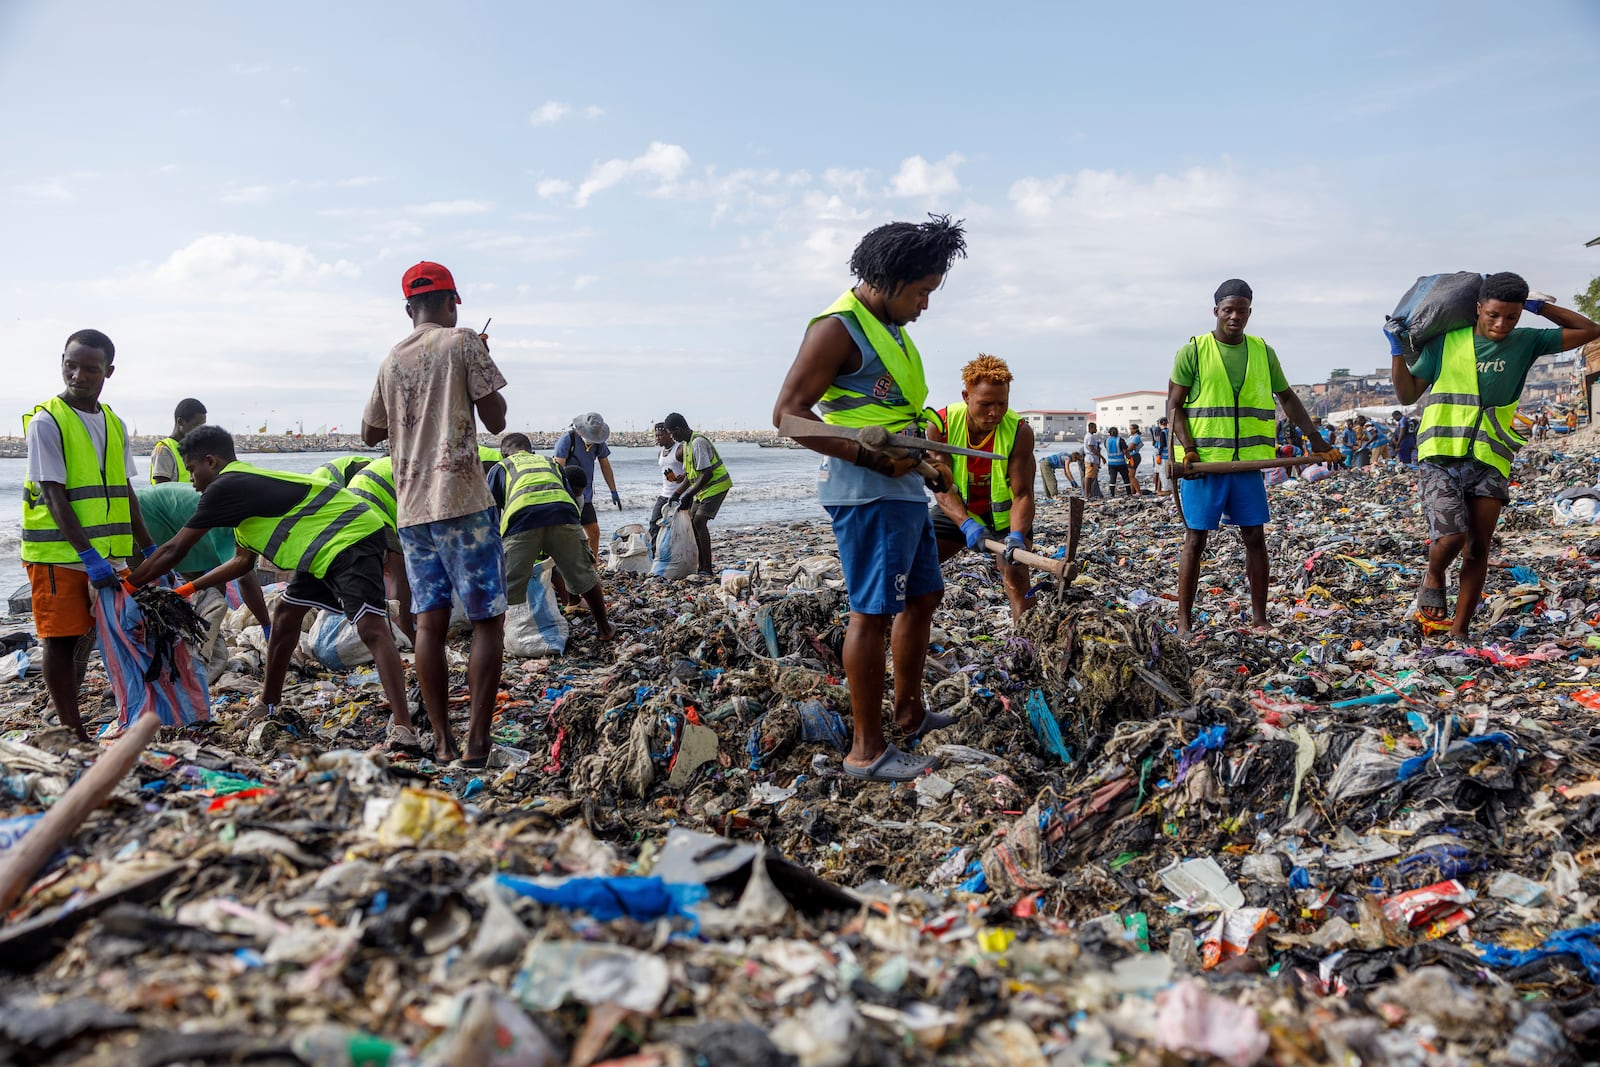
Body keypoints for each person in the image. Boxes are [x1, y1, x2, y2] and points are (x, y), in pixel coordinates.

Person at [772, 213, 967, 781]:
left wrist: (927, 467)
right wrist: (868, 456)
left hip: (904, 492)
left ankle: (909, 712)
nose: (925, 305)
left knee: (923, 598)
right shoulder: (837, 328)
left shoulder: (894, 334)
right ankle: (867, 751)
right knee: (871, 614)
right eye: (922, 291)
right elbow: (787, 416)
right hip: (867, 495)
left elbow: (889, 416)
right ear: (888, 279)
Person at [125, 427, 426, 748]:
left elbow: (174, 549)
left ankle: (403, 727)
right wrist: (185, 591)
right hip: (322, 546)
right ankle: (267, 702)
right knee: (284, 615)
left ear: (210, 461)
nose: (192, 480)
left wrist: (128, 586)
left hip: (350, 535)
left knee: (371, 628)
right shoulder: (241, 491)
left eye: (192, 470)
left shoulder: (225, 487)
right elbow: (241, 563)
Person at [1391, 272, 1600, 637]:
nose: (1501, 325)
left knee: (1477, 548)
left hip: (1491, 457)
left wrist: (1542, 307)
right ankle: (1434, 573)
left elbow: (1590, 330)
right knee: (1451, 537)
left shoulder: (1527, 341)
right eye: (1493, 315)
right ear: (1477, 309)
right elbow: (1408, 395)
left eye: (1512, 317)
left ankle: (1460, 630)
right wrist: (1396, 352)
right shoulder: (1446, 343)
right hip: (1440, 454)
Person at [362, 260, 509, 767]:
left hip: (412, 509)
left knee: (429, 624)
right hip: (464, 501)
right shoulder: (464, 341)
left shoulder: (390, 360)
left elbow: (370, 433)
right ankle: (477, 744)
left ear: (408, 308)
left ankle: (442, 740)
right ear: (451, 303)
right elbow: (496, 421)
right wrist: (479, 364)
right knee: (489, 619)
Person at [1167, 279, 1340, 638]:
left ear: (1249, 312)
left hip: (1248, 464)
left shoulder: (1263, 351)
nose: (1234, 316)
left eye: (1241, 310)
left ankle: (1260, 618)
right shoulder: (1194, 351)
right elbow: (1174, 406)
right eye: (1228, 310)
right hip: (1205, 466)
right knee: (1195, 540)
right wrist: (1189, 449)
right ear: (1215, 311)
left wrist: (1317, 440)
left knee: (1254, 537)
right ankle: (1184, 622)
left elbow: (1288, 398)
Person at [22, 330, 157, 741]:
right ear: (62, 362)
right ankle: (70, 728)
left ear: (108, 372)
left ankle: (121, 713)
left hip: (108, 554)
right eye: (71, 365)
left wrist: (146, 545)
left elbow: (125, 489)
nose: (78, 375)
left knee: (97, 636)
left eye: (90, 368)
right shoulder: (48, 421)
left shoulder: (113, 423)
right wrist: (87, 555)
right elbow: (52, 493)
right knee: (59, 641)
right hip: (59, 555)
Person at [927, 354, 1038, 621]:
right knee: (917, 564)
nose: (994, 413)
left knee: (1016, 577)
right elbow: (942, 488)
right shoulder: (940, 425)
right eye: (986, 404)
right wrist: (965, 523)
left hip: (1005, 519)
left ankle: (1027, 642)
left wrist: (1016, 536)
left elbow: (1023, 495)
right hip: (956, 511)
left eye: (1002, 404)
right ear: (966, 396)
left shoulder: (1018, 432)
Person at [136, 480, 272, 681]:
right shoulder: (234, 519)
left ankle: (199, 665)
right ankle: (147, 669)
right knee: (142, 605)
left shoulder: (250, 519)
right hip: (143, 524)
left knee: (209, 607)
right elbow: (244, 577)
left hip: (189, 543)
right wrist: (267, 626)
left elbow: (240, 570)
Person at [491, 434, 614, 639]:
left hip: (522, 520)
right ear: (532, 451)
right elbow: (569, 495)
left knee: (506, 585)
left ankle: (495, 638)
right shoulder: (551, 463)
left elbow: (492, 511)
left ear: (503, 454)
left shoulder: (501, 467)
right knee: (583, 574)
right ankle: (604, 629)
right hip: (562, 514)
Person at [345, 455, 415, 643]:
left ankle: (385, 629)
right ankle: (406, 634)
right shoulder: (414, 464)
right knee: (397, 571)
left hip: (348, 514)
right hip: (370, 513)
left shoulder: (389, 465)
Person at [663, 412, 732, 578]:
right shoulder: (687, 445)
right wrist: (678, 493)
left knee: (700, 522)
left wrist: (688, 495)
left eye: (672, 433)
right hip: (703, 490)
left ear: (678, 429)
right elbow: (690, 475)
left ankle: (707, 568)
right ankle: (701, 565)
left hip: (716, 486)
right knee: (692, 523)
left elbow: (706, 474)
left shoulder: (697, 443)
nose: (672, 437)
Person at [554, 412, 620, 562]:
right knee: (567, 534)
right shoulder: (567, 440)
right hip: (567, 496)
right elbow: (557, 468)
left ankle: (592, 565)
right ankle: (565, 567)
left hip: (586, 495)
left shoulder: (598, 443)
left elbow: (605, 466)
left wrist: (613, 490)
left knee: (594, 532)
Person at [150, 398, 207, 484]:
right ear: (180, 422)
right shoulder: (164, 450)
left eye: (202, 425)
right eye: (196, 425)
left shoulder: (195, 449)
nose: (201, 430)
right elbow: (162, 490)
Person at [650, 422, 684, 552]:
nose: (658, 438)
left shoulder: (680, 450)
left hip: (680, 495)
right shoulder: (660, 453)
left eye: (660, 435)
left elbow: (692, 471)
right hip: (664, 494)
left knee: (678, 528)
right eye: (656, 436)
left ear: (669, 435)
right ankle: (655, 555)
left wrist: (683, 476)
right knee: (654, 524)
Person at [1104, 426, 1133, 496]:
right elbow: (1125, 451)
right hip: (1121, 462)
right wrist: (1129, 460)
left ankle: (1112, 494)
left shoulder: (1106, 441)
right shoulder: (1120, 440)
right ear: (1117, 433)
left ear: (1109, 433)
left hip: (1111, 463)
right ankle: (1129, 493)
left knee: (1112, 479)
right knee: (1126, 478)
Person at [1081, 422, 1104, 498]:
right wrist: (1101, 457)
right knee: (1089, 477)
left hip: (1092, 459)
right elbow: (1092, 448)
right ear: (1091, 428)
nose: (1096, 429)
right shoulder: (1090, 437)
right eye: (1095, 428)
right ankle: (1087, 494)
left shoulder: (1089, 436)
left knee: (1091, 476)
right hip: (1090, 459)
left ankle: (1088, 493)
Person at [1150, 417, 1170, 494]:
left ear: (1160, 423)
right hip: (1169, 455)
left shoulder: (1162, 432)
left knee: (1163, 473)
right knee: (1168, 472)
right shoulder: (1169, 431)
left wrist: (1159, 454)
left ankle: (1165, 489)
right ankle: (1169, 488)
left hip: (1163, 455)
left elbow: (1162, 445)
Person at [1126, 423, 1144, 493]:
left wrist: (1124, 450)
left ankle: (1138, 491)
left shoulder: (1136, 437)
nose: (1130, 430)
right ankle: (1132, 491)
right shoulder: (1131, 437)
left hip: (1133, 456)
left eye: (1131, 429)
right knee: (1129, 475)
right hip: (1129, 456)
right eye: (1130, 429)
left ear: (1135, 429)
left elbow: (1130, 448)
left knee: (1131, 476)